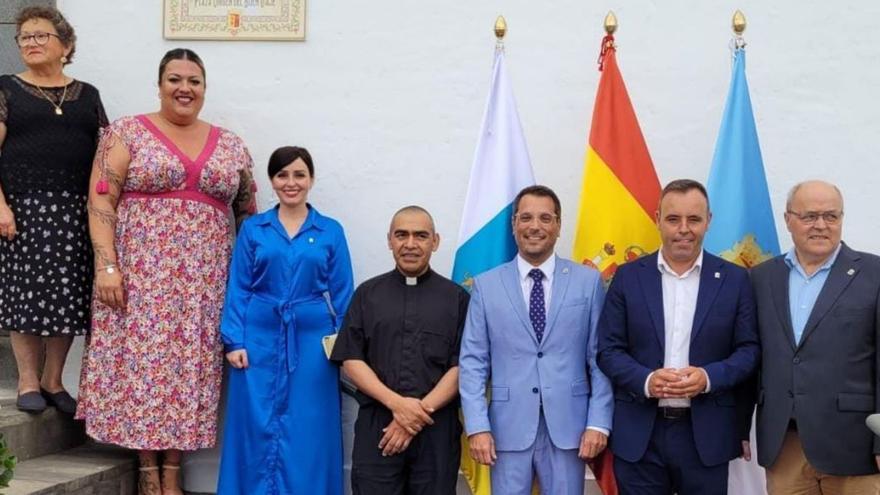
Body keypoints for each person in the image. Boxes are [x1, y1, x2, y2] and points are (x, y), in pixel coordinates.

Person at [75, 48, 256, 495]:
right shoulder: (126, 133)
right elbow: (100, 201)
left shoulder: (230, 143)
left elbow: (248, 212)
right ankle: (146, 467)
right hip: (139, 277)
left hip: (204, 283)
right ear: (159, 85)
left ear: (204, 89)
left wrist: (247, 281)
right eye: (175, 79)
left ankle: (173, 467)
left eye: (194, 81)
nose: (184, 88)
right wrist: (108, 266)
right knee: (141, 365)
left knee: (190, 369)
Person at [597, 179, 760, 495]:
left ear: (708, 221)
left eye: (694, 219)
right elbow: (608, 349)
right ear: (658, 219)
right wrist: (646, 380)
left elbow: (749, 351)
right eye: (673, 219)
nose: (684, 229)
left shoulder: (735, 280)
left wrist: (707, 377)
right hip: (640, 435)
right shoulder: (628, 277)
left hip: (706, 436)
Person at [217, 146, 354, 495]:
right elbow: (239, 286)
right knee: (255, 423)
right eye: (282, 175)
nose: (290, 183)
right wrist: (234, 340)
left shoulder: (330, 231)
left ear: (310, 179)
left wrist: (345, 347)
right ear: (272, 180)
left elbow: (343, 293)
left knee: (310, 424)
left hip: (312, 342)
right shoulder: (254, 230)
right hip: (257, 339)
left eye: (298, 175)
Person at [459, 185, 613, 495]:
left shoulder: (588, 282)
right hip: (506, 428)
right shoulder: (486, 286)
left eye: (545, 218)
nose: (535, 226)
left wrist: (599, 422)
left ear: (558, 225)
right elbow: (473, 362)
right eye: (526, 217)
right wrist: (477, 426)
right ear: (514, 224)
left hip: (570, 427)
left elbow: (601, 358)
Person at [0, 6, 107, 414]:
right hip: (23, 211)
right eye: (24, 37)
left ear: (66, 44)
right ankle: (28, 380)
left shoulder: (88, 95)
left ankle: (53, 379)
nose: (30, 43)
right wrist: (2, 208)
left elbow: (105, 155)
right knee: (24, 297)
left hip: (75, 212)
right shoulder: (6, 89)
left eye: (40, 35)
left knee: (68, 297)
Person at [751, 180, 880, 494]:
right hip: (785, 447)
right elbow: (753, 357)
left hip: (855, 447)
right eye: (809, 216)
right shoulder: (761, 277)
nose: (821, 225)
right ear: (788, 220)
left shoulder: (874, 274)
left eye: (831, 216)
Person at [331, 205, 468, 495]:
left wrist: (416, 414)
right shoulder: (367, 294)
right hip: (378, 428)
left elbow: (464, 366)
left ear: (435, 241)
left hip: (436, 431)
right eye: (401, 235)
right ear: (390, 240)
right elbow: (351, 359)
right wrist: (398, 405)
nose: (410, 244)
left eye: (420, 236)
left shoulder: (457, 298)